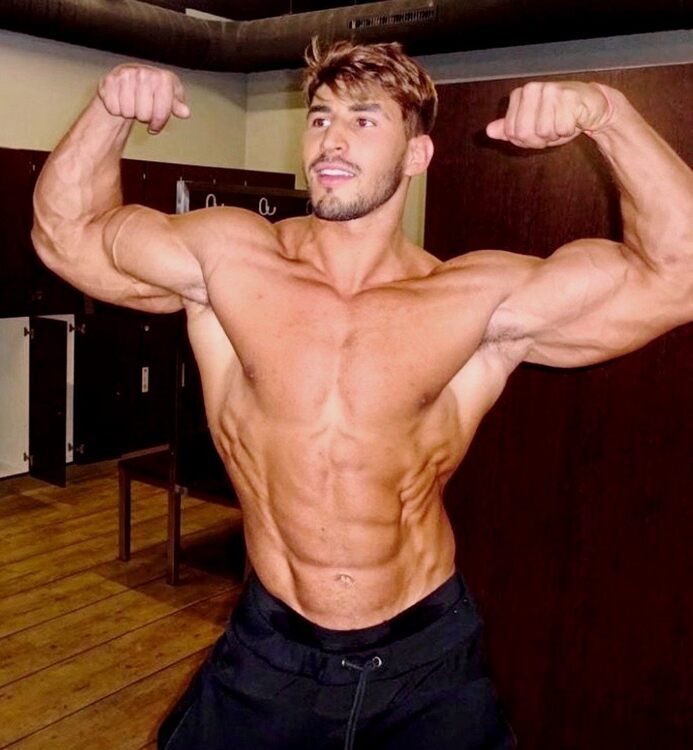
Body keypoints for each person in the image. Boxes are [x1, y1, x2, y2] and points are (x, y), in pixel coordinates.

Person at [32, 39, 691, 750]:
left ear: (417, 154)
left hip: (427, 662)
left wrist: (608, 113)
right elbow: (68, 235)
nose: (331, 139)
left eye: (364, 119)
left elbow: (676, 277)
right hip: (270, 652)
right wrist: (108, 111)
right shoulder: (229, 261)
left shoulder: (473, 299)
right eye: (319, 118)